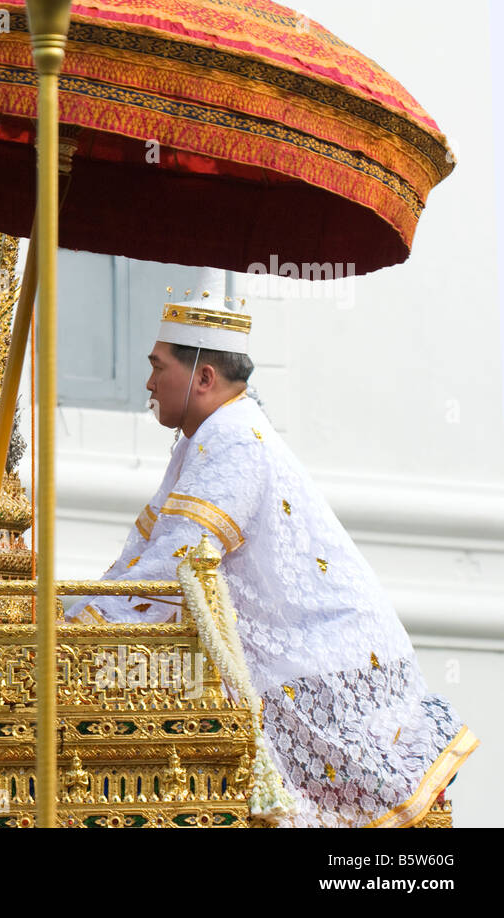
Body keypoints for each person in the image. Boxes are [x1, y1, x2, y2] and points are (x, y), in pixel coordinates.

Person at [64, 277, 476, 827]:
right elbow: (151, 558)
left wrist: (71, 625)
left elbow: (176, 569)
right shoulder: (207, 434)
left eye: (159, 367)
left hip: (324, 670)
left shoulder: (232, 439)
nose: (148, 382)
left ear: (203, 377)